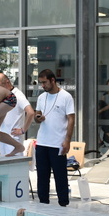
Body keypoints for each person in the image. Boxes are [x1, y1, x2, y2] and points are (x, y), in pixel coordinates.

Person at [33, 69, 76, 207]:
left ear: (53, 80)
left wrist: (67, 140)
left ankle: (63, 203)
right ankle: (43, 202)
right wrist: (38, 118)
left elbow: (71, 119)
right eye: (41, 83)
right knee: (42, 175)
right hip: (42, 141)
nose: (42, 85)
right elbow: (36, 115)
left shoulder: (66, 97)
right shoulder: (41, 97)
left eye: (44, 82)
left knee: (60, 175)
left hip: (57, 143)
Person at [0, 72, 35, 156]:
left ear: (7, 82)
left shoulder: (18, 95)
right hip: (3, 137)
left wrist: (23, 130)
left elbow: (30, 112)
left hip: (13, 139)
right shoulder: (3, 95)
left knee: (14, 163)